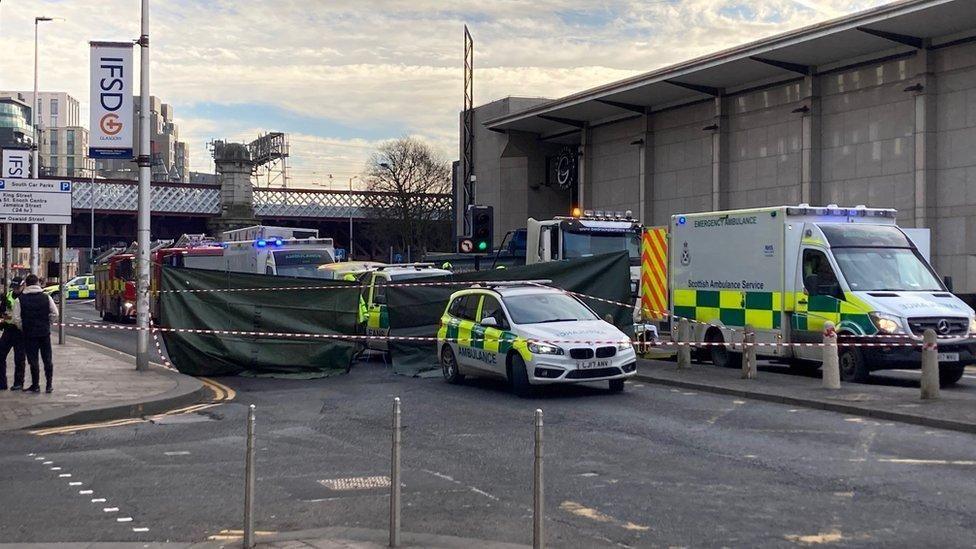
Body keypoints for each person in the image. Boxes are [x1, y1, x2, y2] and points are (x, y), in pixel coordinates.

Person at [13, 274, 58, 393]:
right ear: (37, 283)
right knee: (47, 359)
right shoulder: (46, 297)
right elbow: (55, 314)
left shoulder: (20, 299)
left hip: (29, 334)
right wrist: (47, 322)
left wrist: (23, 327)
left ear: (26, 284)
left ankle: (35, 385)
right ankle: (49, 385)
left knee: (33, 360)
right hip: (44, 332)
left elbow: (16, 318)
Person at [0, 277, 26, 390]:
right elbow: (2, 311)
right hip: (8, 329)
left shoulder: (25, 298)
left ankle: (18, 383)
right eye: (14, 287)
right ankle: (2, 383)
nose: (15, 290)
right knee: (0, 355)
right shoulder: (7, 296)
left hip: (20, 331)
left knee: (19, 358)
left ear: (23, 286)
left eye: (17, 287)